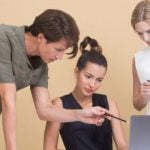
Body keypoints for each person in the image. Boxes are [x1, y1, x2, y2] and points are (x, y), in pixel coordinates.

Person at [0, 9, 111, 150]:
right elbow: (7, 99)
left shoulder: (41, 63)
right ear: (41, 38)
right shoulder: (3, 38)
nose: (60, 57)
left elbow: (44, 110)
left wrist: (82, 114)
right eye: (58, 49)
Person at [43, 36, 128, 150]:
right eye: (88, 77)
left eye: (99, 80)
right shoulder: (59, 105)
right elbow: (49, 148)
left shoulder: (109, 103)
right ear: (76, 72)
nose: (92, 85)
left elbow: (122, 145)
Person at [131, 0, 150, 114]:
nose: (146, 38)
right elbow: (137, 105)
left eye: (149, 31)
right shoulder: (138, 59)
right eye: (140, 33)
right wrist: (144, 95)